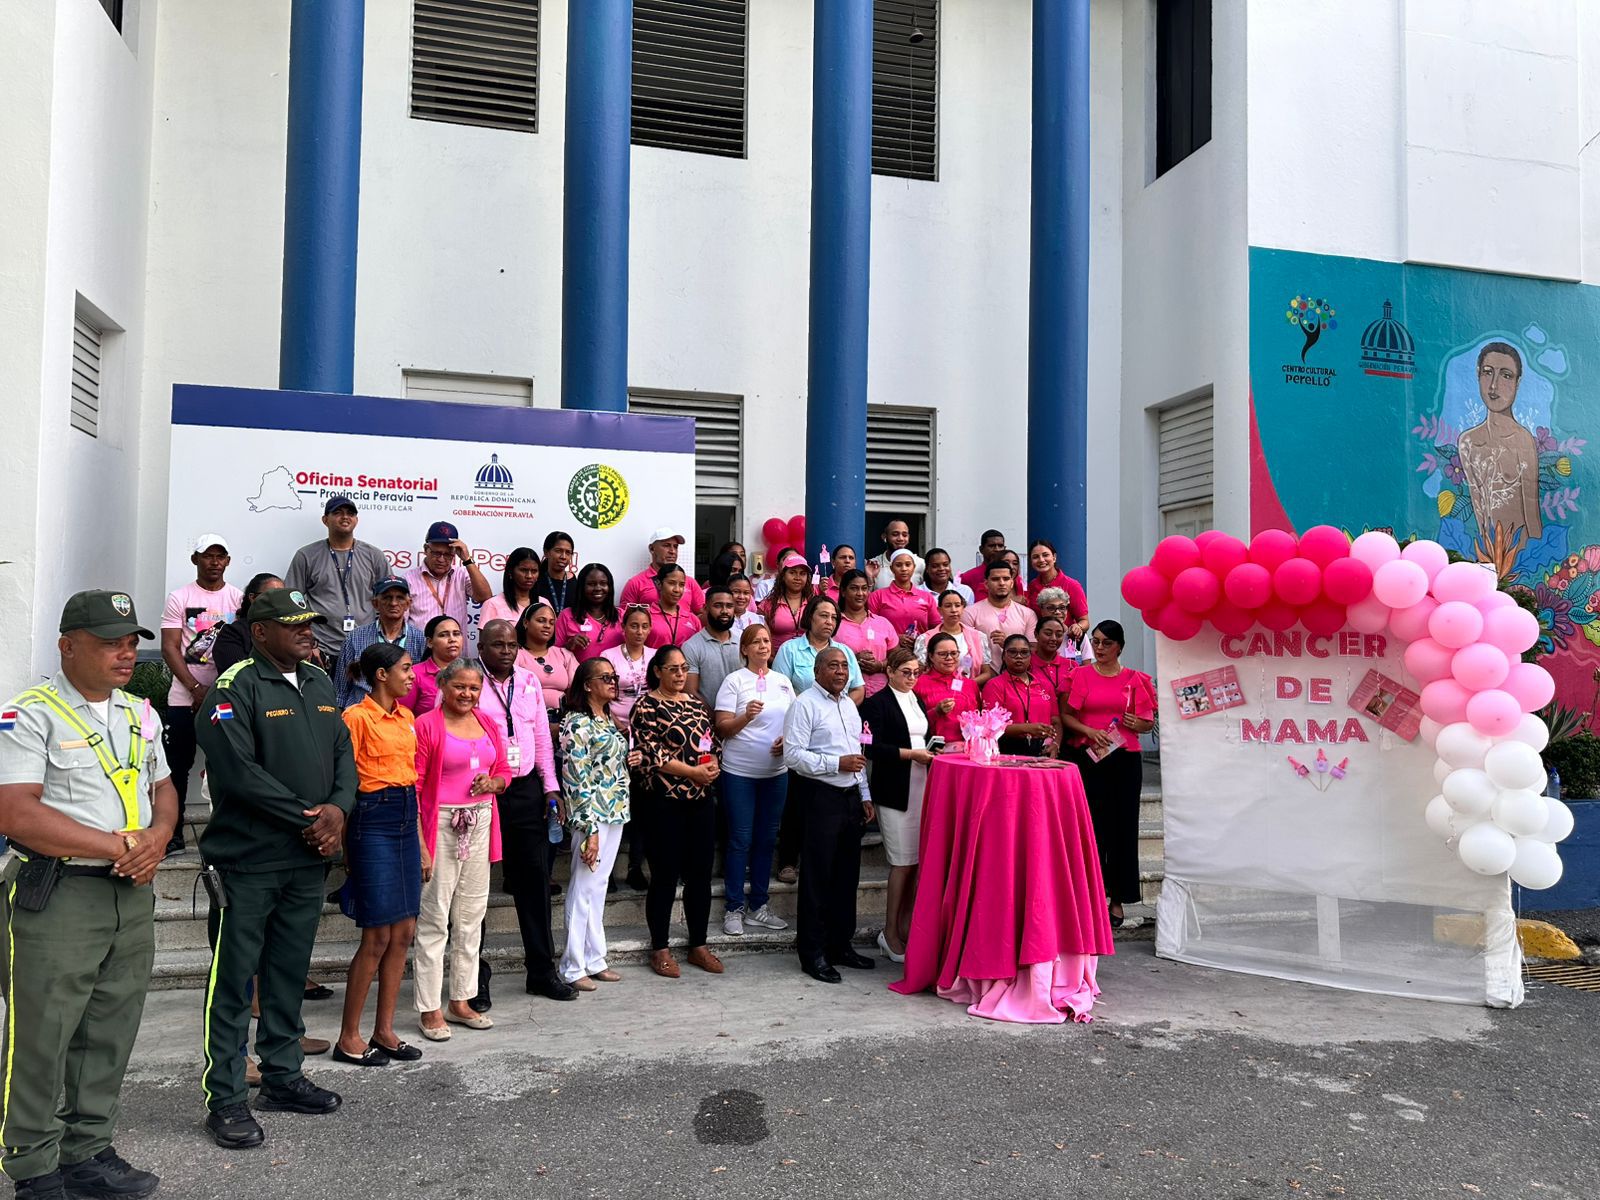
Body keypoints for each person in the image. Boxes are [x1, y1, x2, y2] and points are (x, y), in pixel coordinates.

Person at [0, 590, 175, 1198]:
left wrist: (158, 838)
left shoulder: (141, 713)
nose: (125, 654)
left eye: (130, 643)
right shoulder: (29, 715)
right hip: (60, 892)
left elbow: (163, 788)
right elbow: (15, 812)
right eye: (108, 643)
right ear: (67, 646)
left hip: (129, 892)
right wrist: (121, 845)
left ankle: (88, 1151)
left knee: (110, 1028)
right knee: (42, 1035)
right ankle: (32, 1166)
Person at [196, 588, 354, 1150]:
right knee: (234, 981)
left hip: (306, 859)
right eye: (293, 624)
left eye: (308, 622)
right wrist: (310, 817)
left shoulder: (317, 680)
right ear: (260, 632)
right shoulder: (234, 685)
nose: (306, 631)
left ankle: (283, 1077)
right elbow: (237, 772)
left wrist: (339, 809)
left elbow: (343, 753)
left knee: (288, 972)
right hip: (249, 860)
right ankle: (226, 1097)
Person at [334, 644, 423, 1068]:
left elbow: (412, 781)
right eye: (405, 668)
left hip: (405, 815)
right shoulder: (356, 717)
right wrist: (346, 846)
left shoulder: (407, 718)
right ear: (382, 675)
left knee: (404, 931)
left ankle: (384, 1031)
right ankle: (348, 1036)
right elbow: (343, 781)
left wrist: (421, 840)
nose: (412, 675)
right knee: (377, 935)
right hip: (371, 818)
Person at [475, 620, 574, 1002]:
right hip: (481, 790)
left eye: (512, 645)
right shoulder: (468, 680)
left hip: (526, 790)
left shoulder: (529, 681)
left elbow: (541, 739)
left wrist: (550, 788)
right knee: (474, 888)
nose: (506, 651)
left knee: (534, 882)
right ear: (481, 648)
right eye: (497, 644)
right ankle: (474, 978)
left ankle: (541, 971)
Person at [412, 659, 510, 1039]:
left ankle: (461, 999)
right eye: (460, 687)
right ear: (443, 686)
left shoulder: (486, 721)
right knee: (435, 917)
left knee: (471, 915)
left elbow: (503, 770)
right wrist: (422, 844)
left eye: (474, 688)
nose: (467, 694)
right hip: (440, 823)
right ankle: (429, 1007)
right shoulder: (427, 725)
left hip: (481, 819)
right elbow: (415, 785)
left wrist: (494, 784)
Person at [783, 648, 876, 984]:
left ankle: (840, 945)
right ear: (817, 671)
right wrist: (835, 764)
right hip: (819, 796)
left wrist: (864, 793)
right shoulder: (804, 704)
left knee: (846, 877)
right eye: (833, 666)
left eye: (844, 666)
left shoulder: (849, 705)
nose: (840, 672)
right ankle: (813, 953)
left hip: (850, 797)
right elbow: (793, 755)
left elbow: (856, 753)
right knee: (817, 878)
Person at [630, 646, 723, 978]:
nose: (681, 674)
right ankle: (660, 948)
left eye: (684, 668)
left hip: (700, 800)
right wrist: (693, 772)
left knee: (700, 874)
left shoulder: (696, 703)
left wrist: (711, 766)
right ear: (658, 671)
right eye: (673, 669)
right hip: (663, 801)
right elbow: (651, 753)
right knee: (665, 875)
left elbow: (711, 742)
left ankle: (699, 944)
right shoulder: (646, 706)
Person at [1062, 621, 1156, 928]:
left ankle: (1118, 898)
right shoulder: (1081, 675)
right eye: (1096, 642)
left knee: (1123, 828)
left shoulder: (1134, 679)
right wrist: (1089, 731)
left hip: (1125, 759)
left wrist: (1139, 724)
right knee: (1093, 827)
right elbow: (1067, 716)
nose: (1100, 648)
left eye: (1106, 643)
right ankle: (1091, 896)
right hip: (1090, 757)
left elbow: (1146, 722)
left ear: (1119, 647)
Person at [558, 659, 643, 990]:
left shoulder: (608, 718)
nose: (612, 681)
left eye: (614, 676)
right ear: (587, 685)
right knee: (583, 887)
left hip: (615, 810)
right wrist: (588, 828)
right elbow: (575, 777)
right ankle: (572, 965)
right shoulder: (576, 723)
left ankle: (594, 958)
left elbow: (606, 764)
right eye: (605, 677)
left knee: (598, 886)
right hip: (591, 814)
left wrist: (630, 758)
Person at [160, 533, 243, 854]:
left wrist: (217, 692)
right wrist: (195, 688)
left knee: (227, 766)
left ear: (228, 561)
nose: (214, 562)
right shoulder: (179, 597)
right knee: (176, 769)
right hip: (184, 698)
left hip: (224, 700)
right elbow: (169, 648)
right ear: (195, 559)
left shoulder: (237, 598)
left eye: (220, 556)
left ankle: (226, 833)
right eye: (208, 556)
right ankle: (173, 833)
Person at [712, 624, 794, 936]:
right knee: (740, 839)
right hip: (740, 774)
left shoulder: (783, 682)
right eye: (756, 642)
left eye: (766, 640)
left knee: (766, 839)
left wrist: (787, 740)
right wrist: (745, 716)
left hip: (776, 774)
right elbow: (722, 728)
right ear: (744, 649)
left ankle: (759, 906)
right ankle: (734, 907)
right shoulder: (734, 681)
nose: (763, 646)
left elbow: (795, 721)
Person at [860, 649, 934, 964]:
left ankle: (905, 927)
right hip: (894, 790)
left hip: (921, 786)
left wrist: (929, 751)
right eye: (906, 672)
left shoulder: (917, 700)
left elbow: (923, 737)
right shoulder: (877, 703)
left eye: (916, 672)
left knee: (915, 864)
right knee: (902, 862)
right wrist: (911, 755)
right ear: (889, 671)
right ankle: (889, 932)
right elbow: (870, 747)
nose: (912, 678)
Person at [283, 496, 391, 663]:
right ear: (325, 520)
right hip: (321, 648)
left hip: (365, 648)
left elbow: (389, 599)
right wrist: (309, 642)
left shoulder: (373, 555)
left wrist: (382, 641)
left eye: (350, 513)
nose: (345, 517)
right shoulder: (306, 555)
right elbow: (292, 604)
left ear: (356, 520)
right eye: (338, 513)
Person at [1458, 342, 1543, 546]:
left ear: (1518, 382)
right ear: (1478, 375)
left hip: (1521, 551)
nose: (1494, 385)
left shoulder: (1523, 440)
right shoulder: (1467, 442)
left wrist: (1536, 553)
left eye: (1506, 375)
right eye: (1488, 373)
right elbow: (1478, 509)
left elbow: (1531, 512)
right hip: (1487, 552)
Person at [598, 605, 654, 891]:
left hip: (646, 737)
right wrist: (616, 724)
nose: (639, 631)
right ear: (623, 627)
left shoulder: (655, 657)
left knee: (641, 805)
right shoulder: (609, 657)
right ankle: (606, 871)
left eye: (644, 626)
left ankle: (635, 866)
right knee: (613, 801)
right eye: (634, 625)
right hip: (614, 733)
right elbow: (601, 696)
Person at [335, 576, 427, 709]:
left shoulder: (420, 639)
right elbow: (341, 689)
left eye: (400, 598)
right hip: (360, 711)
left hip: (400, 713)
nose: (393, 603)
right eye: (387, 597)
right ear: (375, 603)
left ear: (408, 603)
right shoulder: (354, 637)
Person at [402, 521, 492, 632]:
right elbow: (401, 622)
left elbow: (485, 597)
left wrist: (467, 560)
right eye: (436, 553)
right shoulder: (408, 579)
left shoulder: (462, 574)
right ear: (425, 549)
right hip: (420, 643)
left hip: (455, 643)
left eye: (448, 554)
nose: (441, 559)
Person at [774, 596, 864, 704]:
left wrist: (839, 709)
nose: (829, 622)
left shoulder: (845, 652)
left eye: (834, 618)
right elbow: (780, 690)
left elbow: (858, 689)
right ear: (810, 617)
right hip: (803, 712)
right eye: (824, 616)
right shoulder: (789, 650)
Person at [982, 635, 1061, 756]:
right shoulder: (994, 685)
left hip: (1043, 748)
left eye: (1024, 652)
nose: (1019, 656)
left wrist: (1055, 744)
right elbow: (990, 726)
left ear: (1030, 656)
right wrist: (1027, 728)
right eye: (1012, 652)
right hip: (1008, 748)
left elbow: (1056, 721)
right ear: (1004, 656)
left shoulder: (1045, 685)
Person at [962, 559, 1037, 672]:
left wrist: (1008, 644)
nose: (1001, 583)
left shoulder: (1028, 614)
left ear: (1012, 583)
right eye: (995, 579)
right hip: (982, 677)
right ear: (986, 584)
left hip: (1017, 677)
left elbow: (1033, 649)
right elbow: (965, 650)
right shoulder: (969, 613)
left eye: (1006, 579)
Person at [833, 570, 898, 698]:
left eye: (864, 588)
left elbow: (897, 657)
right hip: (847, 696)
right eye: (854, 588)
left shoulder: (882, 623)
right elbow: (824, 658)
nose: (860, 593)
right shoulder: (834, 624)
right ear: (843, 591)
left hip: (882, 695)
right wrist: (853, 660)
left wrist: (880, 666)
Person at [914, 632, 981, 746]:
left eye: (954, 653)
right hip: (934, 749)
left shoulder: (970, 684)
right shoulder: (918, 683)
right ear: (931, 656)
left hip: (970, 749)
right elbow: (910, 723)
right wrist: (936, 712)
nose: (949, 658)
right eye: (942, 654)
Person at [619, 527, 707, 613]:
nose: (672, 551)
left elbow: (702, 613)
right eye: (666, 545)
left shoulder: (690, 582)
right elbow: (624, 616)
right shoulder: (636, 583)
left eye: (675, 546)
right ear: (652, 548)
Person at [912, 589, 991, 685]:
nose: (953, 610)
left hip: (969, 689)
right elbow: (919, 672)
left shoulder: (978, 636)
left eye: (957, 605)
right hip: (935, 689)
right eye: (948, 606)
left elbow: (987, 672)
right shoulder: (925, 639)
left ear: (963, 608)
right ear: (939, 610)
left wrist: (966, 685)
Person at [515, 599, 579, 714]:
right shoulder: (515, 654)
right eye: (541, 621)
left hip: (563, 717)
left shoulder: (564, 654)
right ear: (525, 623)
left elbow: (578, 690)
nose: (547, 626)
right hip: (525, 715)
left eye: (551, 623)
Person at [213, 573, 284, 674]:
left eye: (282, 596)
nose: (278, 602)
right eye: (271, 595)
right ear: (253, 598)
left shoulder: (292, 629)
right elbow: (239, 675)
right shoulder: (232, 633)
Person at [683, 586, 742, 705]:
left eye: (729, 606)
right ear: (705, 608)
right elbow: (690, 692)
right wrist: (715, 715)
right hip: (706, 714)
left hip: (744, 713)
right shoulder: (691, 646)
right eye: (718, 606)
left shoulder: (743, 641)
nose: (724, 611)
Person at [868, 549, 940, 645]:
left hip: (920, 651)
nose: (904, 569)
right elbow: (870, 627)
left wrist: (921, 640)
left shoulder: (927, 597)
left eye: (908, 564)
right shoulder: (877, 596)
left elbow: (936, 628)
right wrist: (894, 638)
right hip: (889, 650)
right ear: (891, 568)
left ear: (914, 567)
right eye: (898, 565)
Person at [555, 562, 624, 663]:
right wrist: (569, 645)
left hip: (615, 673)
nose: (598, 588)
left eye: (603, 583)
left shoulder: (622, 615)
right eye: (591, 584)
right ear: (581, 587)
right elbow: (553, 654)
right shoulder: (567, 615)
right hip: (578, 673)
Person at [1023, 540, 1090, 643]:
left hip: (1064, 641)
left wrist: (1078, 627)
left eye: (1045, 555)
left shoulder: (1072, 585)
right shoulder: (1032, 586)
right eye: (1036, 557)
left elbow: (1084, 621)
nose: (1041, 560)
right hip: (1040, 643)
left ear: (1054, 557)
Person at [398, 615, 463, 715]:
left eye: (456, 634)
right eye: (443, 635)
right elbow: (402, 715)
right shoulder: (413, 675)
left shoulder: (470, 672)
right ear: (430, 642)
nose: (452, 639)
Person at [760, 551, 815, 650]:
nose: (797, 577)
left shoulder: (814, 603)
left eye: (802, 573)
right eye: (792, 572)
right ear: (783, 576)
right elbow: (758, 632)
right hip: (775, 657)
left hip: (808, 657)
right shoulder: (769, 603)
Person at [479, 546, 542, 629]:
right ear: (510, 572)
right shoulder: (492, 604)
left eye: (534, 571)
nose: (529, 576)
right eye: (523, 570)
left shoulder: (544, 603)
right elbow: (485, 637)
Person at [645, 564, 703, 650]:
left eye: (681, 585)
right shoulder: (645, 616)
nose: (677, 590)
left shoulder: (693, 620)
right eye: (671, 583)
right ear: (659, 584)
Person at [1031, 615, 1077, 713]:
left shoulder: (1072, 666)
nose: (1053, 638)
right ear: (1036, 634)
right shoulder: (1026, 665)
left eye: (1059, 635)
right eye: (1048, 633)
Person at [866, 519, 924, 590]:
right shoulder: (873, 565)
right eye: (895, 534)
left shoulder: (920, 564)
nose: (901, 538)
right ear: (884, 536)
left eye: (904, 535)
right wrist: (870, 579)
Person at [532, 531, 578, 613]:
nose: (563, 557)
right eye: (558, 551)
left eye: (568, 552)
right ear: (546, 552)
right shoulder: (535, 581)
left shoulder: (576, 583)